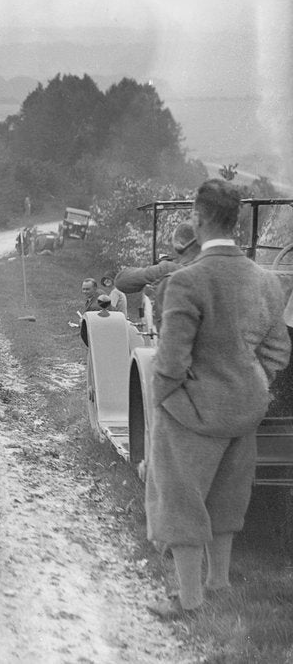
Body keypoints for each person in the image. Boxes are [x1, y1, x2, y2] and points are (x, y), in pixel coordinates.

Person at [145, 179, 290, 620]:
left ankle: (189, 601)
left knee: (180, 501)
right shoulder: (267, 281)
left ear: (198, 217)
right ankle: (219, 583)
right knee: (228, 499)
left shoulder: (188, 281)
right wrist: (252, 389)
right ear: (236, 218)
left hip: (192, 414)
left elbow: (170, 361)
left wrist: (169, 400)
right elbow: (278, 351)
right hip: (244, 413)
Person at [115, 221, 199, 332]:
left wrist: (160, 270)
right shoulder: (224, 269)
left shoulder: (169, 269)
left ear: (179, 245)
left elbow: (121, 281)